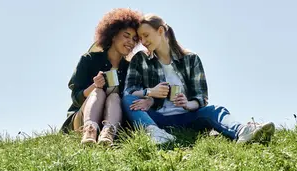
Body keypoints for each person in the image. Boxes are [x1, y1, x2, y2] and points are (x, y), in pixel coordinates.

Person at [121, 14, 275, 145]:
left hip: (187, 118)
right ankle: (156, 134)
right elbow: (129, 91)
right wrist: (151, 93)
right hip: (157, 118)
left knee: (214, 110)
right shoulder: (140, 59)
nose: (143, 41)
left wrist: (188, 104)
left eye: (146, 35)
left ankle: (243, 131)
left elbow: (201, 97)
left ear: (160, 31)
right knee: (127, 99)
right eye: (140, 38)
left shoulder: (191, 59)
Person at [61, 8, 143, 145]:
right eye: (126, 35)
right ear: (113, 35)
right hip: (81, 119)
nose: (131, 42)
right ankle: (89, 130)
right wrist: (94, 86)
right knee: (98, 91)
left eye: (135, 39)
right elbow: (76, 98)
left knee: (115, 96)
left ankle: (108, 133)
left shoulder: (131, 68)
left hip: (116, 119)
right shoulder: (89, 59)